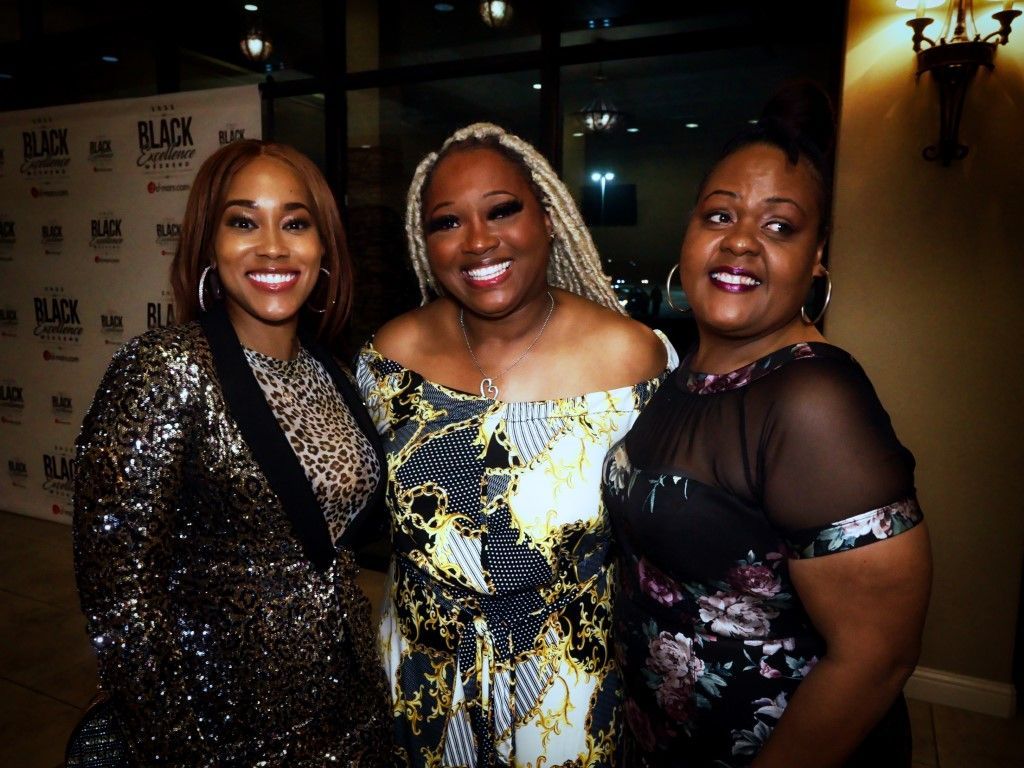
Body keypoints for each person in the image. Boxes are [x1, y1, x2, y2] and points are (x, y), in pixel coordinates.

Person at [602, 84, 932, 767]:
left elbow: (877, 656)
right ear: (688, 234)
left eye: (780, 227)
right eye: (719, 215)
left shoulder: (813, 395)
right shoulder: (680, 372)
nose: (742, 242)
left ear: (818, 257)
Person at [355, 122, 677, 767]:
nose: (478, 241)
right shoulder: (390, 357)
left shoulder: (631, 361)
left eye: (502, 210)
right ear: (425, 244)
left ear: (549, 218)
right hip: (416, 685)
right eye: (448, 222)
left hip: (562, 697)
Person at [72, 139, 392, 766]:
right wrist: (179, 745)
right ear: (209, 246)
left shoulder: (332, 373)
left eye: (295, 223)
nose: (273, 246)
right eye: (243, 221)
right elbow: (120, 596)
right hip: (223, 732)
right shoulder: (162, 370)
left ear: (323, 248)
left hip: (351, 715)